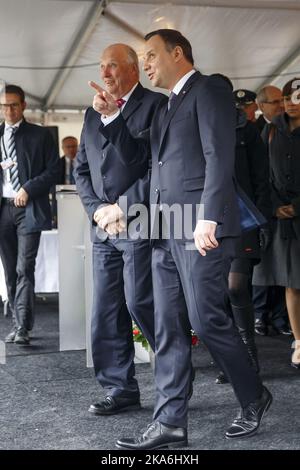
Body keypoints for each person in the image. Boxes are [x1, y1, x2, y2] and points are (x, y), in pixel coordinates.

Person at [91, 30, 272, 449]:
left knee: (207, 319)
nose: (146, 63)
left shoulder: (208, 89)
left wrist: (209, 217)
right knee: (169, 326)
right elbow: (139, 160)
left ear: (178, 53)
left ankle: (254, 395)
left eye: (151, 55)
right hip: (164, 227)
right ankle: (170, 421)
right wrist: (111, 118)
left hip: (197, 227)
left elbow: (218, 156)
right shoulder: (166, 106)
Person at [74, 43, 167, 416]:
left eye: (112, 66)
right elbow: (82, 170)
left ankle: (175, 378)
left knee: (142, 303)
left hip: (142, 222)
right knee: (106, 310)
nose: (105, 73)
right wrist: (98, 211)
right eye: (101, 66)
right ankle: (120, 388)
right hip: (103, 229)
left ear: (134, 70)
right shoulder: (90, 113)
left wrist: (123, 208)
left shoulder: (157, 106)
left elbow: (156, 169)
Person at [216, 102, 273, 385]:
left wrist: (262, 220)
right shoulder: (201, 128)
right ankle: (232, 361)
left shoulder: (246, 131)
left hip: (245, 218)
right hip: (211, 219)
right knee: (219, 292)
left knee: (236, 287)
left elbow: (262, 178)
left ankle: (249, 355)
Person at [0, 84, 60, 345]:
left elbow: (54, 171)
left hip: (29, 209)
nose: (9, 110)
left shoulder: (40, 135)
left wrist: (28, 188)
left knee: (25, 267)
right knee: (9, 270)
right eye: (4, 106)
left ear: (23, 105)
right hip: (3, 210)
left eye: (13, 105)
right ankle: (16, 323)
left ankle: (23, 327)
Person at [253, 77, 300, 369]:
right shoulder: (270, 131)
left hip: (296, 211)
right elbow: (260, 174)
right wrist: (274, 207)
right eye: (287, 98)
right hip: (282, 218)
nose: (291, 104)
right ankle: (299, 341)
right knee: (293, 283)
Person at [253, 85, 290, 336]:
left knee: (287, 270)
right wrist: (273, 206)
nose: (280, 106)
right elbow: (261, 174)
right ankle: (260, 314)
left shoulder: (288, 129)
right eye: (275, 102)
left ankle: (279, 317)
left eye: (282, 101)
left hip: (290, 210)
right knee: (266, 265)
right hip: (268, 208)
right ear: (261, 106)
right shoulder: (260, 131)